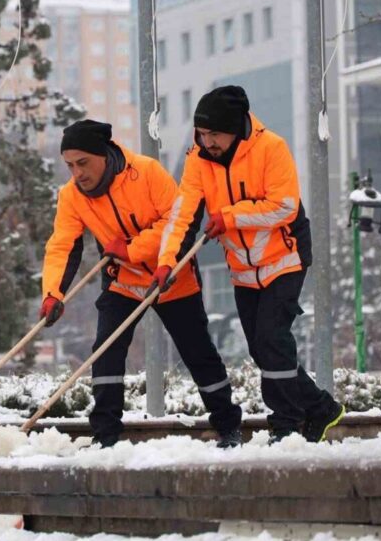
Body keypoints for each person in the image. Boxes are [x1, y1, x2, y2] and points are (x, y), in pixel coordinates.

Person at [155, 85, 344, 444]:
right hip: (242, 268)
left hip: (284, 258)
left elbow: (284, 206)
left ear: (235, 128)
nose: (207, 142)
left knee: (272, 340)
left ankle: (289, 421)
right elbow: (182, 215)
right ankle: (314, 410)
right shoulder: (198, 159)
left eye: (214, 134)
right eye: (202, 133)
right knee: (261, 348)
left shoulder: (271, 148)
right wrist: (167, 261)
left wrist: (229, 217)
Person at [39, 119, 242, 449]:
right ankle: (105, 435)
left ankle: (229, 425)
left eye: (83, 163)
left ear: (103, 154)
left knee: (197, 352)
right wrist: (52, 293)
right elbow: (62, 245)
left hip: (171, 276)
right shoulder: (71, 196)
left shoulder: (146, 172)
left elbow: (177, 221)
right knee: (106, 350)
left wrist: (132, 249)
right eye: (70, 165)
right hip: (123, 281)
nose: (77, 173)